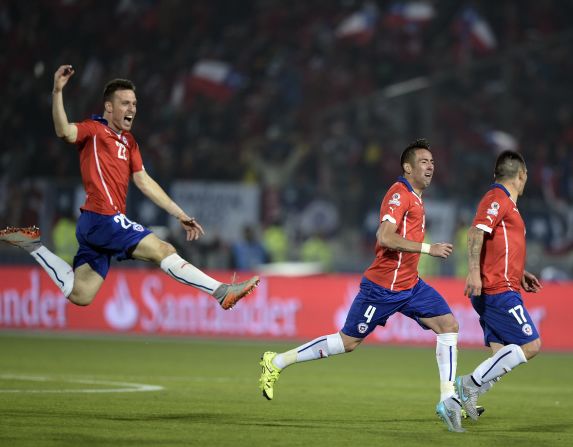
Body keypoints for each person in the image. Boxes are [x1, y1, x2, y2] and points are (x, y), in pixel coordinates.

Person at [0, 65, 259, 310]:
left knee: (80, 294)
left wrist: (180, 214)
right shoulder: (94, 131)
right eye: (125, 103)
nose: (131, 109)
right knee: (164, 250)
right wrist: (57, 92)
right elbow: (64, 132)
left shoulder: (130, 142)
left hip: (96, 224)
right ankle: (222, 292)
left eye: (134, 104)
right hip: (104, 218)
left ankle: (32, 245)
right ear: (109, 108)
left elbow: (144, 181)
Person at [259, 138, 466, 433]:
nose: (430, 166)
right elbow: (384, 236)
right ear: (407, 168)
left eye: (432, 162)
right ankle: (276, 361)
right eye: (423, 162)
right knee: (347, 343)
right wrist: (427, 248)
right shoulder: (399, 193)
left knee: (448, 325)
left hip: (409, 285)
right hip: (382, 288)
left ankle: (448, 400)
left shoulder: (416, 197)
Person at [455, 150, 542, 421]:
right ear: (522, 175)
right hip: (498, 290)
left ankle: (459, 401)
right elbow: (476, 232)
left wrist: (520, 272)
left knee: (501, 358)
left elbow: (499, 246)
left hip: (504, 283)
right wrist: (473, 273)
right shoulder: (497, 197)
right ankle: (467, 385)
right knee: (531, 345)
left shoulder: (507, 204)